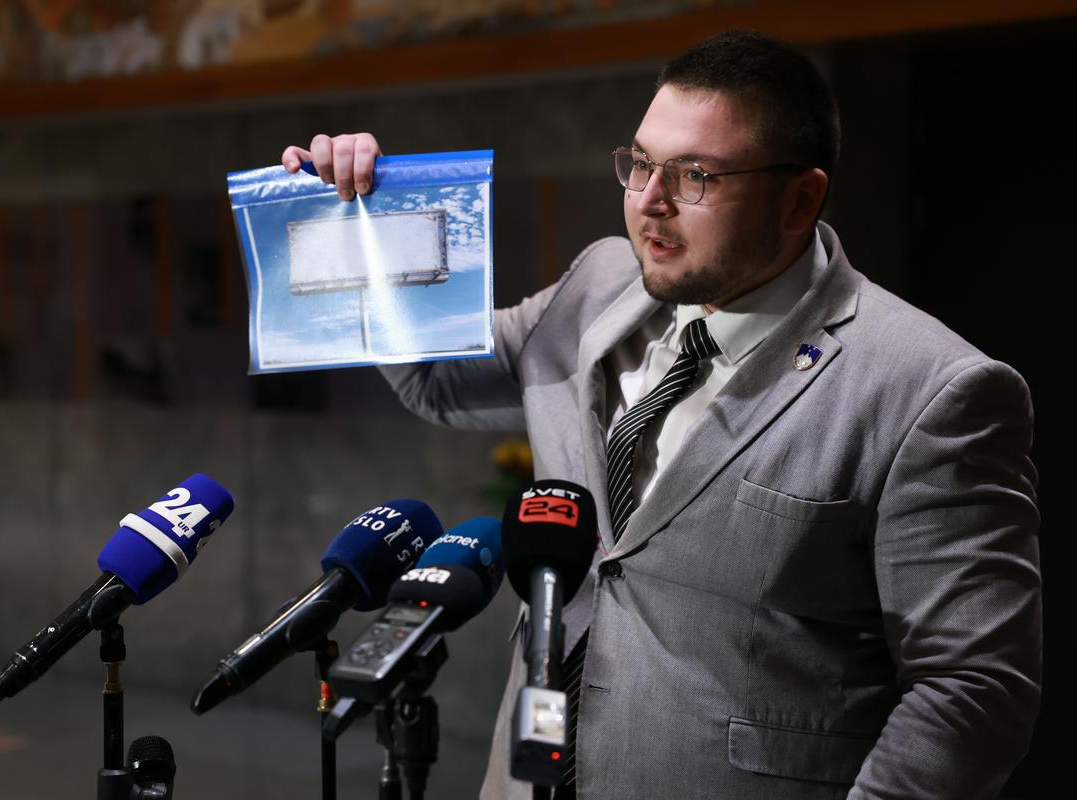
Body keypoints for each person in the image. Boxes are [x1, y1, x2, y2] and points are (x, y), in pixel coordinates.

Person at [282, 30, 1041, 800]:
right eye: (640, 163)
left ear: (799, 199)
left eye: (695, 176)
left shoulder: (930, 389)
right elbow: (436, 381)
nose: (649, 201)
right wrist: (366, 216)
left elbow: (971, 690)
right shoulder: (600, 282)